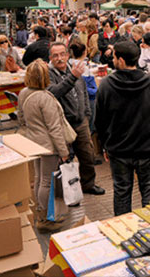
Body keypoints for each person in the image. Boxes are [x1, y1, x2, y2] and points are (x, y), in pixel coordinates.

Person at [95, 41, 150, 215]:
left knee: (122, 193)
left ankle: (122, 233)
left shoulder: (106, 85)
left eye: (114, 57)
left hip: (120, 150)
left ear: (121, 60)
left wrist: (105, 144)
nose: (112, 60)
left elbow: (100, 120)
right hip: (148, 148)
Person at [17, 59, 71, 231]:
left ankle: (40, 212)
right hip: (48, 145)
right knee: (46, 181)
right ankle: (47, 218)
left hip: (33, 142)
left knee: (39, 178)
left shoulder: (24, 93)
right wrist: (63, 151)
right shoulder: (45, 98)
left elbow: (21, 117)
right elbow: (54, 128)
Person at [48, 42, 104, 195]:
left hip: (81, 122)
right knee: (65, 159)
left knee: (87, 155)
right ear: (50, 58)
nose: (59, 58)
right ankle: (68, 190)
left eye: (62, 54)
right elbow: (55, 92)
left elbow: (83, 92)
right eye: (55, 56)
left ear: (67, 55)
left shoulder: (75, 71)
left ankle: (88, 184)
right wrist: (73, 77)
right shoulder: (49, 75)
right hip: (63, 124)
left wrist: (86, 113)